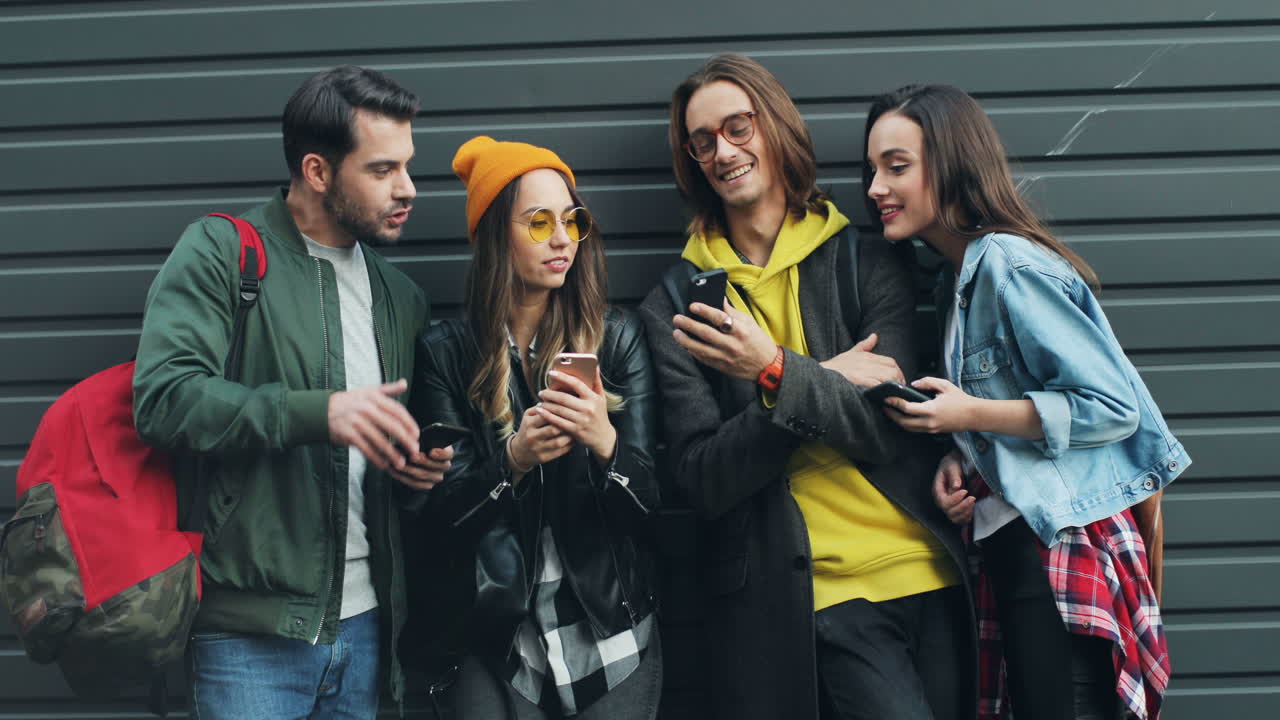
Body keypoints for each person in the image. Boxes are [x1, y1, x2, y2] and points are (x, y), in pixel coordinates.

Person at [637, 54, 976, 720]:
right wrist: (818, 379)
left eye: (738, 127)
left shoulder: (870, 260)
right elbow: (704, 477)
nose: (722, 152)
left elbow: (889, 426)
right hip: (814, 596)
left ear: (776, 127)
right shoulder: (676, 305)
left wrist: (774, 372)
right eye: (702, 142)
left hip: (933, 571)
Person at [133, 65, 453, 719]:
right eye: (383, 169)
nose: (408, 189)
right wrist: (319, 411)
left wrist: (416, 475)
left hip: (367, 633)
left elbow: (384, 473)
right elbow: (164, 397)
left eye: (408, 166)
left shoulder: (401, 298)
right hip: (249, 640)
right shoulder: (223, 252)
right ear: (317, 170)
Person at [865, 84, 1183, 720]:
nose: (876, 188)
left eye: (896, 167)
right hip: (1015, 549)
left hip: (1058, 549)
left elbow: (1110, 405)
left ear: (951, 165)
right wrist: (963, 456)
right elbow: (1008, 408)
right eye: (872, 169)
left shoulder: (1007, 263)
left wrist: (969, 416)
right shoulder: (953, 282)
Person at [405, 136, 661, 720]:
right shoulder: (445, 352)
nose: (562, 239)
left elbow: (653, 505)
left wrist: (605, 443)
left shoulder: (617, 339)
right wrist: (513, 462)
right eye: (539, 221)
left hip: (609, 634)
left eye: (573, 220)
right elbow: (439, 515)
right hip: (492, 636)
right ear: (496, 236)